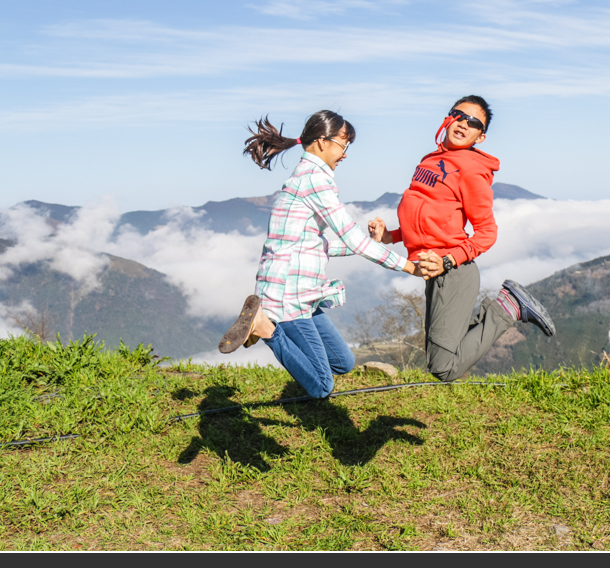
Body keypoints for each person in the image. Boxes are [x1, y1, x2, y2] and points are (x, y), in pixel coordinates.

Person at [218, 110, 422, 398]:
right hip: (288, 295)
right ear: (323, 141)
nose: (345, 154)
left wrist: (371, 242)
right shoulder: (314, 180)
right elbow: (350, 237)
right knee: (322, 387)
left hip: (304, 294)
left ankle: (267, 327)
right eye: (343, 144)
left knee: (343, 362)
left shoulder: (307, 177)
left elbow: (320, 245)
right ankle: (265, 329)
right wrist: (409, 267)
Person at [369, 96, 556, 382]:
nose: (463, 123)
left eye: (473, 122)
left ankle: (508, 308)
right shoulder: (429, 161)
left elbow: (487, 232)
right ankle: (504, 306)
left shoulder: (471, 171)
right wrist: (390, 236)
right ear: (448, 118)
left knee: (443, 367)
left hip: (453, 271)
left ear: (480, 137)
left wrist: (446, 261)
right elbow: (428, 220)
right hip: (433, 270)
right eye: (458, 115)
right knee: (438, 355)